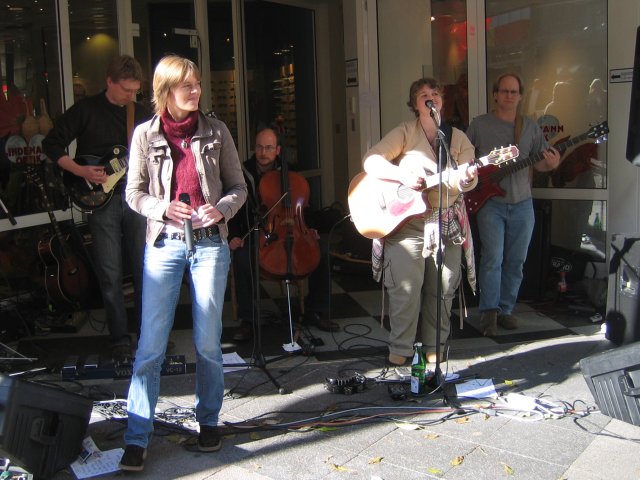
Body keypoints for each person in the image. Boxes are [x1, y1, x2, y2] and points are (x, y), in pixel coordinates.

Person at [119, 55, 247, 471]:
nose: (195, 91)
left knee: (208, 342)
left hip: (210, 244)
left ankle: (208, 421)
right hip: (165, 245)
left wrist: (221, 210)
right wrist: (161, 208)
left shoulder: (217, 131)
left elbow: (238, 187)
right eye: (186, 85)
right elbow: (133, 194)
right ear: (165, 90)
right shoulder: (144, 135)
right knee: (150, 346)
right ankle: (137, 436)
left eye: (197, 83)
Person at [362, 77, 478, 366]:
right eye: (423, 94)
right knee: (406, 288)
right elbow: (371, 161)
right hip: (408, 223)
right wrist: (401, 176)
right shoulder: (404, 132)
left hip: (446, 223)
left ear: (441, 101)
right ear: (415, 104)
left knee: (443, 286)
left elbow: (469, 178)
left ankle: (434, 346)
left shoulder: (458, 138)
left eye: (435, 93)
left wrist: (466, 178)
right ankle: (401, 349)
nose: (430, 97)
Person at [42, 55, 149, 362]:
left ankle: (146, 338)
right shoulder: (86, 110)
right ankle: (118, 340)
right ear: (109, 82)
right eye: (125, 90)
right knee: (110, 272)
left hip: (135, 197)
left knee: (144, 270)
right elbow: (52, 144)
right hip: (99, 199)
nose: (130, 96)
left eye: (134, 91)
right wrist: (79, 171)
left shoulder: (139, 113)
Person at [466, 73, 560, 336]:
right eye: (504, 91)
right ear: (495, 94)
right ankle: (489, 312)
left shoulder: (529, 127)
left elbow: (540, 161)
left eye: (514, 92)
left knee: (516, 260)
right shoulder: (479, 125)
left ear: (520, 96)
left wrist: (551, 164)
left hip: (522, 204)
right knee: (492, 258)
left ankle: (506, 310)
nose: (509, 96)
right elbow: (462, 158)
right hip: (490, 202)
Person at [228, 126, 338, 342]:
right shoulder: (242, 173)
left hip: (294, 231)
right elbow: (233, 208)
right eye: (259, 147)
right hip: (258, 234)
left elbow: (305, 208)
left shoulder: (291, 173)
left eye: (269, 148)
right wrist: (234, 235)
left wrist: (311, 227)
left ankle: (316, 311)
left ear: (278, 150)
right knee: (242, 258)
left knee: (322, 251)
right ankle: (248, 319)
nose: (263, 152)